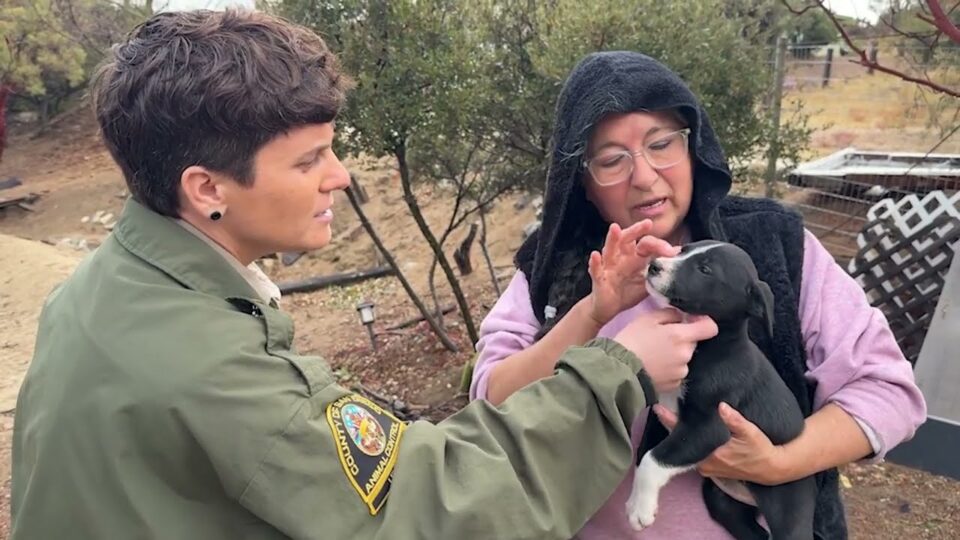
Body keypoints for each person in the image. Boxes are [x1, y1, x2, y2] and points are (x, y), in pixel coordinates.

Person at [9, 11, 722, 540]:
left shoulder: (107, 285)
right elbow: (444, 506)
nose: (340, 177)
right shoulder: (210, 368)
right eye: (308, 159)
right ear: (207, 190)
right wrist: (620, 368)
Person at [470, 50, 927, 539]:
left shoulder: (771, 247)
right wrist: (594, 323)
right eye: (611, 160)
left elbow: (888, 392)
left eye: (661, 144)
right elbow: (490, 399)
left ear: (694, 147)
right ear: (581, 182)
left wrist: (777, 462)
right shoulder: (555, 266)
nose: (644, 176)